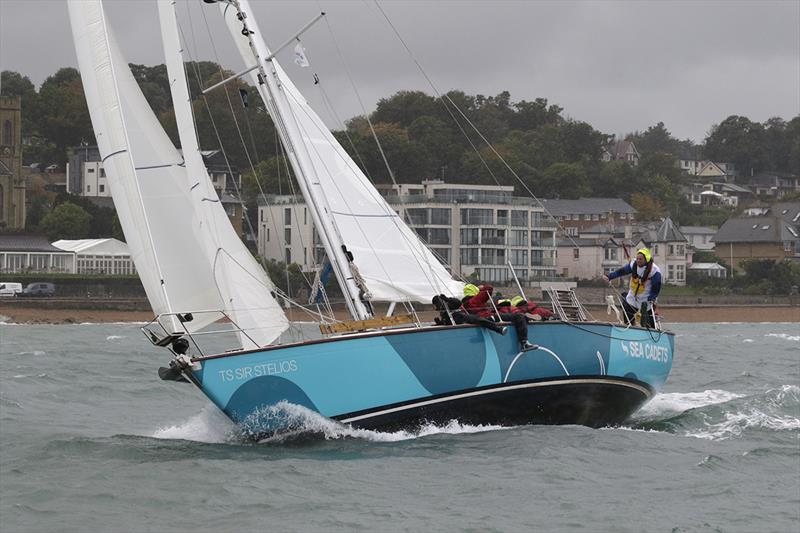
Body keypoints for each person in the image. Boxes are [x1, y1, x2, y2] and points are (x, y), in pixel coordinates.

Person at [462, 284, 536, 351]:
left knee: (518, 316)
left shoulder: (464, 305)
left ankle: (526, 320)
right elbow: (489, 288)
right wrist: (482, 288)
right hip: (490, 317)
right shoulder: (474, 300)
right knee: (519, 316)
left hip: (485, 319)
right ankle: (524, 342)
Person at [602, 248, 661, 328]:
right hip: (632, 296)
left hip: (646, 299)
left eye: (641, 259)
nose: (638, 260)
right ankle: (629, 326)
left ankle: (652, 329)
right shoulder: (633, 265)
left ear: (646, 259)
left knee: (648, 322)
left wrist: (653, 297)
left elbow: (656, 286)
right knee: (626, 307)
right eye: (637, 258)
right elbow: (621, 271)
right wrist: (609, 276)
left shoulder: (654, 271)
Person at [432, 294, 507, 335]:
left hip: (459, 317)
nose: (434, 307)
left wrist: (447, 299)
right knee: (478, 319)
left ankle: (498, 329)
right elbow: (447, 322)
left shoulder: (447, 304)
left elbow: (458, 303)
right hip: (457, 320)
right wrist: (439, 323)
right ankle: (493, 323)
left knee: (478, 319)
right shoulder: (442, 312)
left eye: (435, 305)